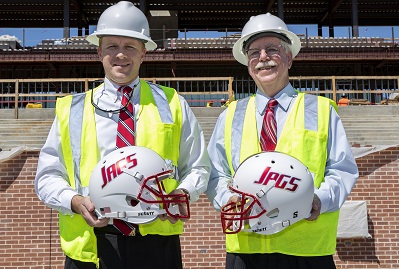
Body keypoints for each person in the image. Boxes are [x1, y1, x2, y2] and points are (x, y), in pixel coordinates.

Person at [34, 2, 210, 269]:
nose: (120, 55)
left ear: (143, 53)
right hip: (91, 244)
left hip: (156, 242)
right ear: (99, 52)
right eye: (112, 47)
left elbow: (197, 166)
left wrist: (183, 193)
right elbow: (47, 176)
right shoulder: (72, 109)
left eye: (130, 47)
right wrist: (74, 201)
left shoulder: (173, 103)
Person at [206, 13, 359, 269]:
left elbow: (341, 170)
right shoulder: (230, 115)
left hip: (306, 251)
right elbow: (216, 173)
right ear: (248, 64)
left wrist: (319, 199)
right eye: (254, 52)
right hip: (246, 250)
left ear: (289, 57)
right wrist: (226, 199)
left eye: (272, 50)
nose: (263, 57)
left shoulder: (321, 110)